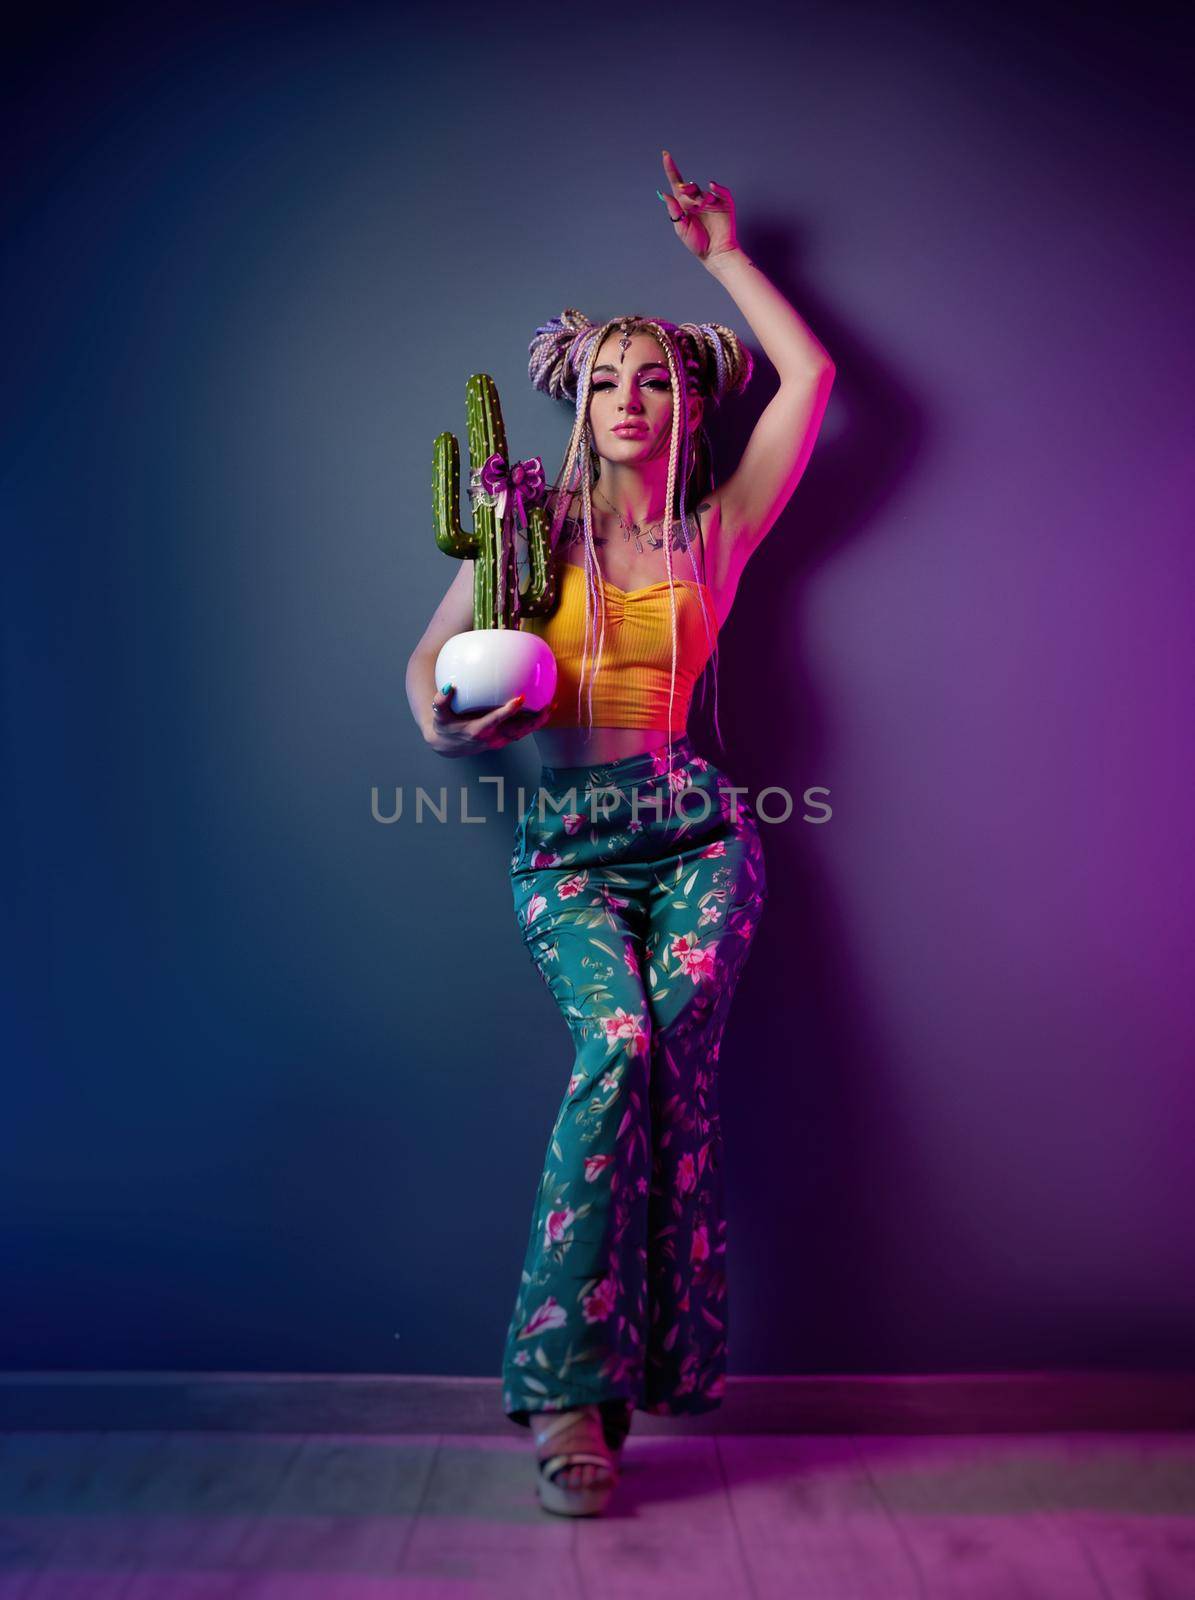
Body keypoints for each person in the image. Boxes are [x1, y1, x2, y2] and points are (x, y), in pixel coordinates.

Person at [405, 150, 835, 1516]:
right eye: (605, 377)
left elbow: (811, 380)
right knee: (620, 1047)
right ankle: (565, 1393)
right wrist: (450, 724)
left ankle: (648, 1377)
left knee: (680, 1078)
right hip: (567, 844)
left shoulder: (714, 535)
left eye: (655, 376)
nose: (630, 398)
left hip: (701, 833)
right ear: (575, 402)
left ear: (686, 401)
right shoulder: (521, 536)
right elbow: (425, 674)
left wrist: (719, 257)